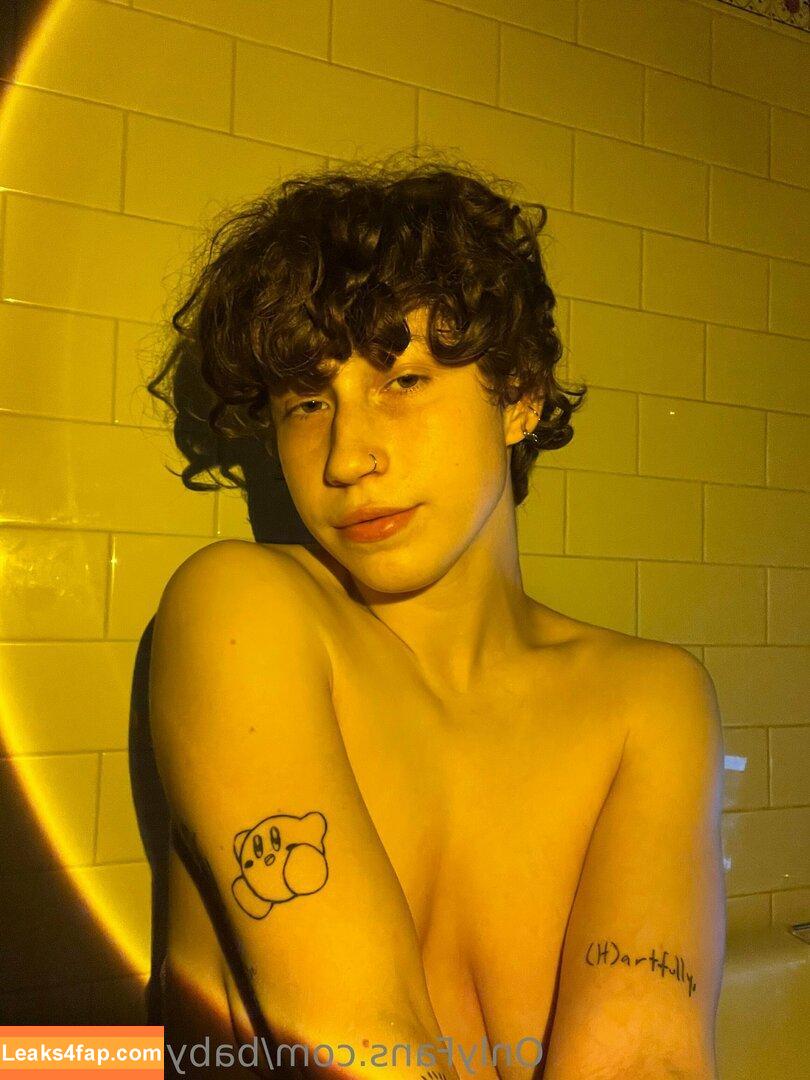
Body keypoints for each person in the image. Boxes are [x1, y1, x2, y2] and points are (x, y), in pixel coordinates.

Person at [146, 153, 726, 1080]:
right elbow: (360, 1046)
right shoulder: (243, 613)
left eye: (403, 381)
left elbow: (644, 1055)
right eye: (307, 403)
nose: (346, 458)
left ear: (520, 394)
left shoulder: (649, 704)